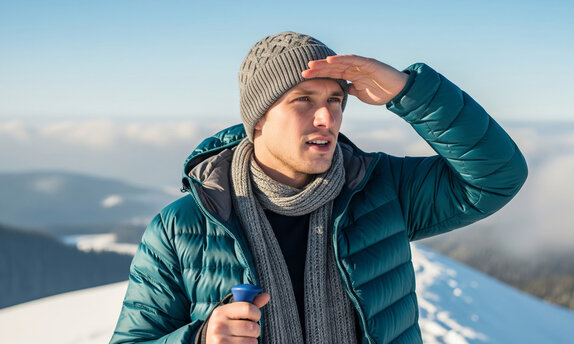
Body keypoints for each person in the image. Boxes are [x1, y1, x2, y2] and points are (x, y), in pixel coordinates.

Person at [110, 31, 528, 344]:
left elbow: (497, 175)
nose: (327, 118)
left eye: (335, 100)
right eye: (304, 100)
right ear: (258, 121)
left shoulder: (381, 189)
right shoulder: (181, 227)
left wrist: (407, 91)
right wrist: (199, 340)